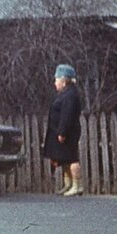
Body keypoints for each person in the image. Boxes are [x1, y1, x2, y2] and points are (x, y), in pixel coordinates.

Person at [44, 64, 84, 197]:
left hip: (68, 132)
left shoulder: (70, 95)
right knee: (64, 158)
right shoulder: (65, 94)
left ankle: (77, 186)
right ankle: (68, 184)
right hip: (61, 131)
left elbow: (67, 115)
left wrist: (62, 132)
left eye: (56, 79)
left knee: (72, 158)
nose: (55, 82)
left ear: (63, 80)